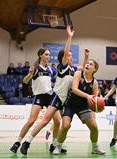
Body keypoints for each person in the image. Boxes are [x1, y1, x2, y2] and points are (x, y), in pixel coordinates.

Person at [18, 26, 89, 156]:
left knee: (59, 123)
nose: (71, 57)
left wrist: (86, 57)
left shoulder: (73, 69)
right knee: (45, 120)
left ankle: (55, 145)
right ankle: (27, 142)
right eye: (69, 55)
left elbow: (83, 68)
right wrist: (69, 37)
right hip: (57, 97)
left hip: (65, 101)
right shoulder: (62, 67)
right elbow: (66, 50)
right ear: (64, 57)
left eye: (72, 56)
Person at [10, 47, 58, 154]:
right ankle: (17, 142)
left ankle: (54, 145)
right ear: (40, 55)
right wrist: (30, 75)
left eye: (49, 55)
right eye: (46, 54)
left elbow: (59, 79)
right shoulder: (36, 68)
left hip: (50, 97)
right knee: (31, 121)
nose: (48, 56)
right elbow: (25, 81)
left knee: (58, 121)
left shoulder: (51, 70)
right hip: (39, 97)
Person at [53, 58, 105, 155]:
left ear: (95, 69)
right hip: (70, 105)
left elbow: (94, 101)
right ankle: (58, 146)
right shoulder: (78, 73)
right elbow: (74, 89)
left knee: (94, 127)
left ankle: (95, 147)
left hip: (83, 107)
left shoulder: (95, 83)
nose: (88, 65)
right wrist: (87, 96)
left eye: (91, 64)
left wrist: (96, 110)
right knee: (65, 126)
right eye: (87, 63)